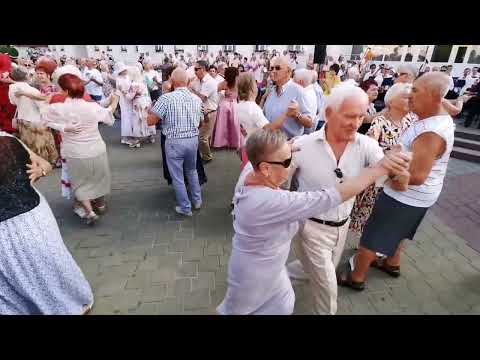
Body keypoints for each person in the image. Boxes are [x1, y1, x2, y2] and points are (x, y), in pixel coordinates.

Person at [217, 129, 410, 315]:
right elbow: (333, 195)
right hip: (252, 277)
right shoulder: (271, 202)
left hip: (272, 269)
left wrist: (284, 150)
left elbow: (257, 154)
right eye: (287, 161)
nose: (291, 162)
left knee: (284, 304)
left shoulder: (251, 173)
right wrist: (380, 168)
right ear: (266, 168)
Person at [285, 84, 411, 315]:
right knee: (327, 286)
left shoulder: (367, 145)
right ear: (329, 113)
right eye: (350, 116)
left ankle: (275, 278)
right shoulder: (302, 146)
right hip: (309, 228)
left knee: (312, 269)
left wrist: (400, 168)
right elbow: (278, 183)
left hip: (342, 228)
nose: (356, 123)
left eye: (361, 116)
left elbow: (399, 183)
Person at [338, 72, 455, 290]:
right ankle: (392, 263)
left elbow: (418, 176)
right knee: (402, 231)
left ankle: (357, 277)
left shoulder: (431, 132)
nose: (411, 95)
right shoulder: (436, 118)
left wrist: (386, 167)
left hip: (405, 195)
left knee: (372, 235)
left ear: (433, 96)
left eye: (416, 91)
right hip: (421, 196)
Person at [0, 130, 94, 314]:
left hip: (32, 218)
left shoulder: (7, 138)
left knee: (50, 264)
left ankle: (67, 304)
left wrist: (40, 169)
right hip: (13, 224)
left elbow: (45, 164)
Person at [40, 73, 117, 225]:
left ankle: (89, 211)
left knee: (80, 181)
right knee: (99, 177)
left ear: (65, 91)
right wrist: (114, 101)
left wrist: (63, 126)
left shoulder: (58, 108)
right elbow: (109, 118)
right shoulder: (91, 107)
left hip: (74, 151)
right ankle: (100, 205)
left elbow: (43, 120)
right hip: (95, 148)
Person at [350, 83, 414, 235]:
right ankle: (364, 249)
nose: (411, 100)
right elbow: (367, 151)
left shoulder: (411, 121)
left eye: (412, 97)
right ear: (391, 101)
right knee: (369, 218)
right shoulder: (379, 122)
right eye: (406, 97)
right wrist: (387, 156)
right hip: (379, 182)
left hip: (398, 180)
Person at [148, 68, 203, 216]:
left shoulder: (166, 98)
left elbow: (150, 121)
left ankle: (185, 207)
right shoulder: (197, 99)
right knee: (192, 171)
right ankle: (197, 201)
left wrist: (150, 110)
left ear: (172, 81)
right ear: (188, 82)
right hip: (192, 140)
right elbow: (200, 123)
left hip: (174, 141)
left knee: (177, 176)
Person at [236, 72, 290, 168]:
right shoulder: (252, 108)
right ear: (252, 88)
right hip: (257, 148)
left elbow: (254, 116)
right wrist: (287, 114)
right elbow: (270, 128)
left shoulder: (240, 105)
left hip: (248, 143)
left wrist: (263, 98)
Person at [8, 67, 59, 165]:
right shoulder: (31, 90)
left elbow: (12, 102)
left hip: (22, 118)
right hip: (36, 119)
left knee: (29, 142)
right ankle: (46, 162)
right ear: (26, 76)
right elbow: (42, 106)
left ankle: (33, 161)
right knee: (42, 142)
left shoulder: (12, 88)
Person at [263, 56, 314, 139]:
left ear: (288, 72)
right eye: (272, 68)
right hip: (270, 142)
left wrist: (298, 114)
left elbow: (309, 123)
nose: (273, 71)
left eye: (278, 68)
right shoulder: (272, 91)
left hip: (288, 144)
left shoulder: (298, 91)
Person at [189, 60, 219, 164]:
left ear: (203, 69)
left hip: (209, 112)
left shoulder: (210, 82)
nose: (195, 71)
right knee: (199, 135)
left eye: (196, 69)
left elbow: (202, 98)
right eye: (194, 69)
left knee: (202, 137)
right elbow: (190, 87)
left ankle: (207, 157)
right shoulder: (197, 80)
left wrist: (191, 91)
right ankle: (203, 154)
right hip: (200, 111)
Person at [211, 67, 241, 150]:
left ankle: (221, 142)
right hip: (234, 104)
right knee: (234, 124)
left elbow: (214, 91)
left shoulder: (224, 83)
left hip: (224, 104)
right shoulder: (238, 83)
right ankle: (234, 142)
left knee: (222, 124)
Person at [293, 69, 318, 133]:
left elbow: (307, 120)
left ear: (300, 82)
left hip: (303, 132)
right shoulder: (310, 91)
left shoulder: (304, 95)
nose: (292, 82)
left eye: (293, 80)